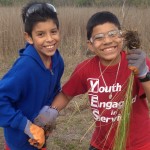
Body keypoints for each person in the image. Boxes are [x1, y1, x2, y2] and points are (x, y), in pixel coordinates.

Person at [35, 11, 150, 150]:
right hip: (101, 145)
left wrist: (144, 74)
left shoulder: (138, 64)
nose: (107, 41)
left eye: (113, 34)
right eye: (99, 37)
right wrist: (51, 112)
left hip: (139, 144)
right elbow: (66, 94)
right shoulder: (85, 69)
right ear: (90, 45)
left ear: (121, 37)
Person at [0, 1, 64, 150]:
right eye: (41, 34)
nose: (49, 39)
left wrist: (47, 117)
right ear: (29, 37)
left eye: (53, 32)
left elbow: (54, 89)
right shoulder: (25, 67)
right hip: (19, 142)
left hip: (40, 136)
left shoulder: (57, 60)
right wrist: (27, 126)